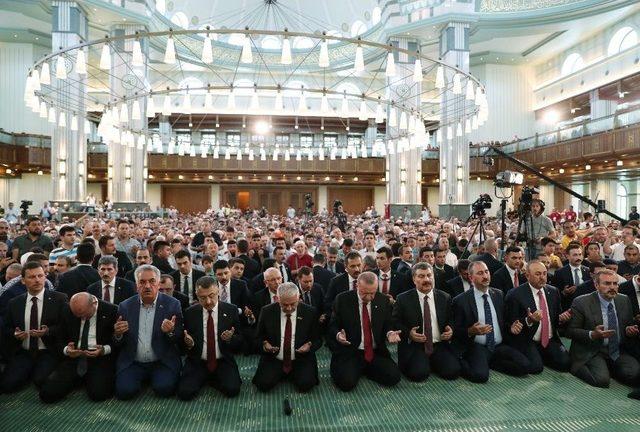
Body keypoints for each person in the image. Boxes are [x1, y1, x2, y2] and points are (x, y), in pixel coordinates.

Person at [452, 261, 532, 383]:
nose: (485, 276)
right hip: (477, 346)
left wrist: (511, 327)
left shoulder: (498, 294)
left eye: (486, 272)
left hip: (498, 345)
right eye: (480, 273)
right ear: (471, 277)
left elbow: (504, 322)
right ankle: (461, 360)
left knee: (525, 366)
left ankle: (491, 362)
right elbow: (455, 331)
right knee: (480, 376)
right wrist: (470, 331)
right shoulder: (460, 300)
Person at [113, 264, 183, 400]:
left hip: (161, 361)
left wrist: (170, 332)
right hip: (134, 361)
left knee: (165, 390)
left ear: (158, 284)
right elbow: (117, 341)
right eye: (142, 282)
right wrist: (118, 334)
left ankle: (154, 378)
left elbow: (178, 338)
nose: (147, 286)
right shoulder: (125, 306)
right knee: (124, 392)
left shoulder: (172, 304)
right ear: (136, 285)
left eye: (152, 281)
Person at [0, 261, 68, 392]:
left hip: (48, 351)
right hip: (24, 352)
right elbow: (6, 328)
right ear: (23, 280)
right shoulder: (14, 303)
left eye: (40, 276)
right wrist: (15, 334)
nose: (37, 280)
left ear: (45, 277)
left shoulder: (59, 299)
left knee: (41, 381)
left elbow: (66, 327)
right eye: (31, 277)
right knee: (7, 386)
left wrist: (48, 331)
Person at [565, 269, 640, 388]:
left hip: (617, 350)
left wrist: (629, 330)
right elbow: (571, 331)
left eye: (615, 284)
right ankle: (577, 365)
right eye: (607, 283)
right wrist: (592, 334)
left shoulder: (624, 300)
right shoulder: (581, 302)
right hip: (593, 349)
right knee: (601, 381)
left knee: (634, 374)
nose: (612, 287)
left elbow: (627, 326)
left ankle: (608, 367)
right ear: (596, 285)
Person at [39, 292, 118, 403]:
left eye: (84, 315)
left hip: (99, 358)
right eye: (77, 316)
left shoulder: (112, 310)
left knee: (99, 395)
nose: (81, 318)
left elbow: (118, 342)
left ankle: (86, 379)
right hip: (74, 357)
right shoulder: (67, 310)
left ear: (94, 304)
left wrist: (104, 349)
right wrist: (67, 350)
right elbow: (60, 337)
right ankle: (80, 379)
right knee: (47, 395)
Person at [328, 271, 401, 391]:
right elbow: (332, 325)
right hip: (351, 350)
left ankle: (364, 368)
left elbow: (388, 324)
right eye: (364, 293)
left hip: (375, 351)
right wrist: (338, 335)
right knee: (346, 384)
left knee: (394, 377)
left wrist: (390, 333)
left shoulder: (382, 300)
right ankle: (357, 369)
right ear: (357, 286)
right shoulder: (342, 299)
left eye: (372, 293)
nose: (369, 297)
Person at [177, 277, 243, 400]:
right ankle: (206, 377)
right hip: (197, 360)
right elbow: (182, 341)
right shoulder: (189, 313)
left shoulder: (231, 310)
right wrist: (189, 344)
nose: (208, 301)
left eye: (211, 296)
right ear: (196, 295)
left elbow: (240, 340)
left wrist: (230, 339)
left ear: (218, 291)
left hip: (222, 360)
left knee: (232, 390)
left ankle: (209, 378)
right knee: (184, 394)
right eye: (202, 298)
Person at [392, 262, 460, 381]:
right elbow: (395, 322)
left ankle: (432, 362)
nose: (426, 279)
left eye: (429, 275)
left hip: (438, 345)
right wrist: (409, 333)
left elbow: (452, 319)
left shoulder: (445, 297)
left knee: (452, 372)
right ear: (414, 279)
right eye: (421, 276)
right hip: (415, 346)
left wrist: (451, 329)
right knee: (419, 375)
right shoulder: (402, 299)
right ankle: (424, 363)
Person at [252, 282, 322, 393]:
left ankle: (289, 374)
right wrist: (265, 345)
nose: (289, 308)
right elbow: (257, 337)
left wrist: (309, 345)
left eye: (293, 304)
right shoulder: (267, 311)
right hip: (274, 358)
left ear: (298, 298)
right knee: (263, 385)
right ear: (277, 299)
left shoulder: (310, 312)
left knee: (306, 385)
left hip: (301, 359)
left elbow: (318, 339)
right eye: (284, 304)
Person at [504, 260, 571, 374]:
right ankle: (536, 356)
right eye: (538, 274)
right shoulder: (515, 295)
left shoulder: (553, 291)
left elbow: (556, 318)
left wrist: (561, 319)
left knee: (566, 364)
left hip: (549, 339)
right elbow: (510, 324)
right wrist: (528, 320)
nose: (542, 277)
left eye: (544, 273)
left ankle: (541, 355)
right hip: (528, 339)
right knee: (535, 368)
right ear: (527, 275)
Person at [323, 252, 362, 319]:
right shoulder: (336, 282)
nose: (357, 269)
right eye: (353, 266)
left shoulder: (370, 279)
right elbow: (328, 303)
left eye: (359, 265)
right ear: (346, 267)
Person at [553, 243, 591, 310]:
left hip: (587, 308)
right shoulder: (560, 273)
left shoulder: (588, 271)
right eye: (575, 255)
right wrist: (564, 293)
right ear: (567, 256)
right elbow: (555, 295)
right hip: (569, 308)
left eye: (580, 254)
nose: (578, 257)